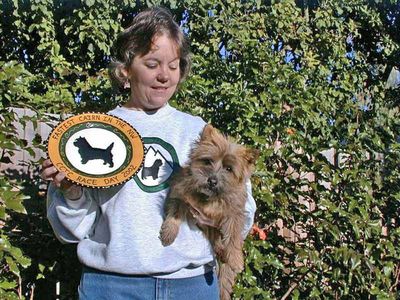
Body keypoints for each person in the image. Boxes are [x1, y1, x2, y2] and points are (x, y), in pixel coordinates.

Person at [41, 7, 256, 300]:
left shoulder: (201, 133)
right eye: (152, 63)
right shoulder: (95, 132)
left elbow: (241, 211)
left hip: (190, 286)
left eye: (173, 65)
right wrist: (71, 192)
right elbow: (72, 231)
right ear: (126, 69)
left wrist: (216, 220)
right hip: (111, 288)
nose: (164, 76)